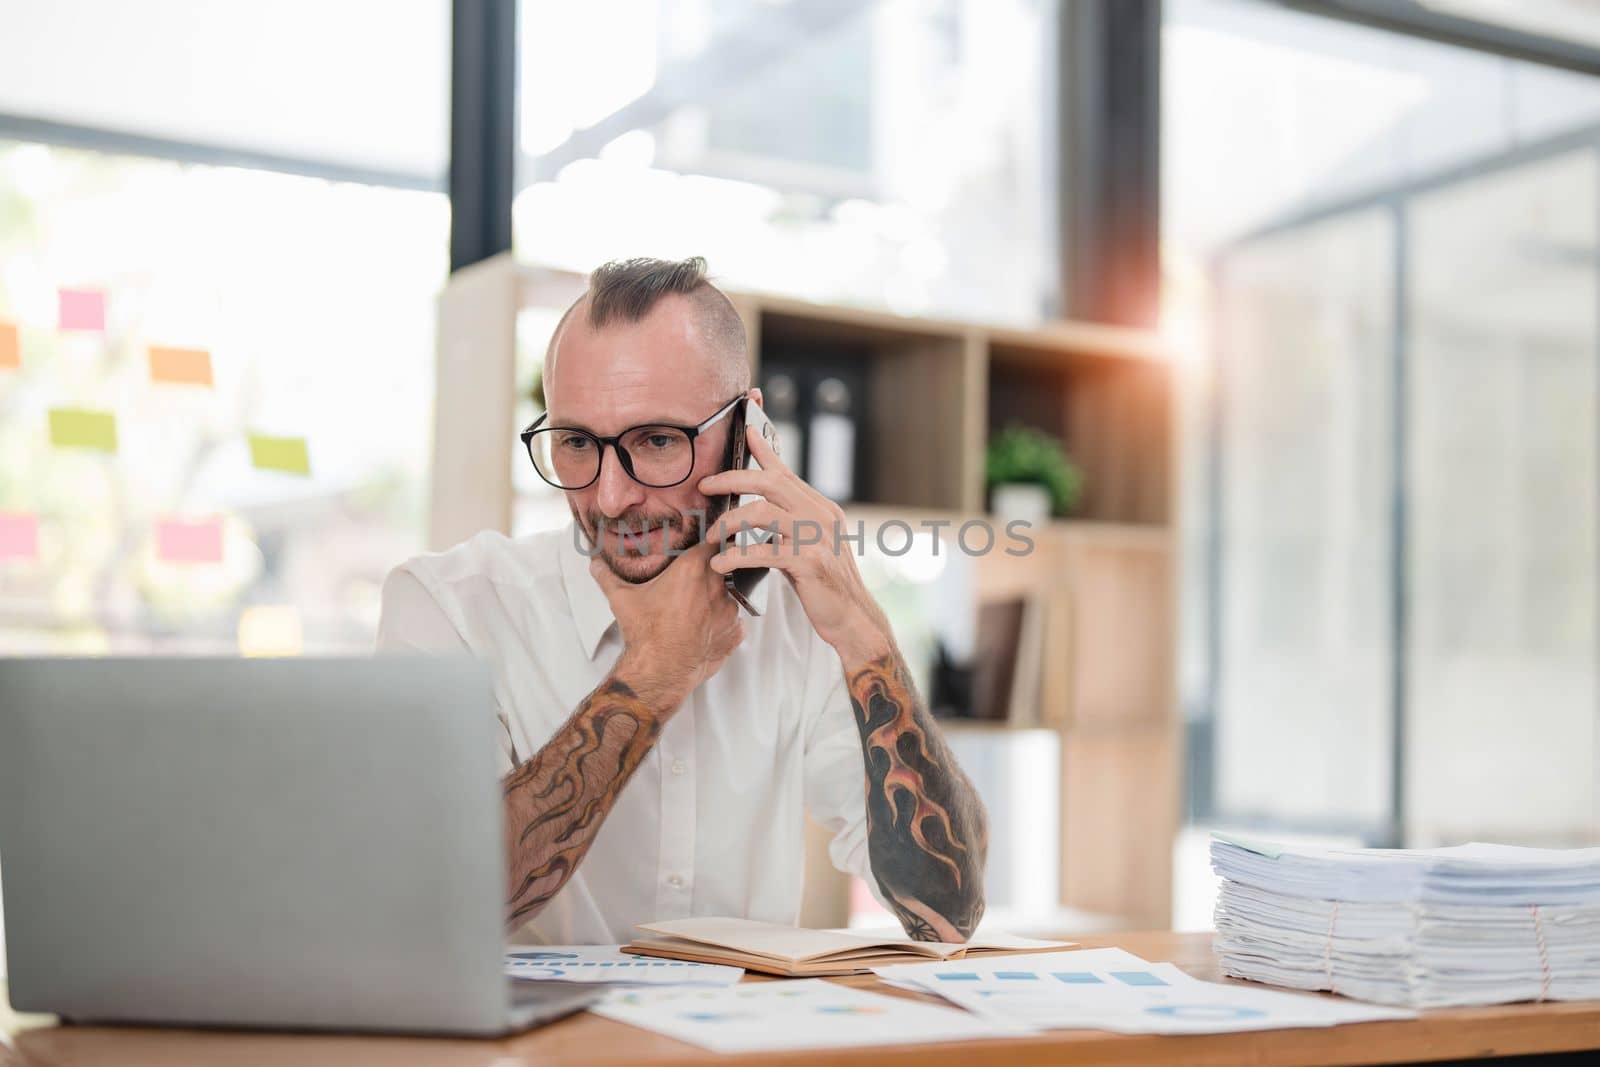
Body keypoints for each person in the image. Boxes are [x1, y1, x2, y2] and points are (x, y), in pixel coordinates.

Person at [377, 256, 987, 945]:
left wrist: (862, 630)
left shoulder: (806, 618)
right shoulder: (449, 606)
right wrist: (656, 671)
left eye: (658, 441)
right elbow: (436, 909)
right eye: (577, 442)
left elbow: (946, 913)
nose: (610, 497)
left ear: (748, 434)